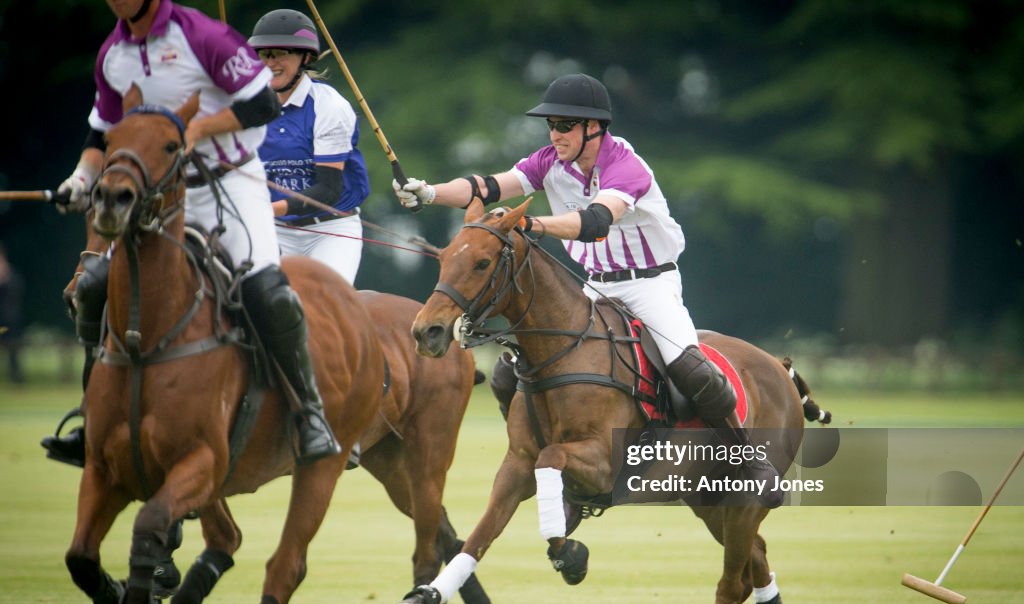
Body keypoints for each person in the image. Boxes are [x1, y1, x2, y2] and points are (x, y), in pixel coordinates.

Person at [393, 73, 783, 508]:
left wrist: (530, 224)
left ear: (593, 128)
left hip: (650, 282)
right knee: (508, 373)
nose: (554, 134)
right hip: (594, 287)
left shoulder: (626, 167)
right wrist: (428, 192)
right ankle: (541, 454)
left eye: (563, 125)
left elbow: (595, 222)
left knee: (691, 370)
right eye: (551, 125)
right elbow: (486, 187)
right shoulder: (548, 162)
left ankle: (749, 458)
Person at [41, 0, 340, 470]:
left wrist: (197, 128)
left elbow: (261, 103)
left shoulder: (205, 37)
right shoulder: (111, 56)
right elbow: (99, 136)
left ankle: (310, 413)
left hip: (229, 181)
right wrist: (80, 180)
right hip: (155, 193)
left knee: (268, 292)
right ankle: (91, 419)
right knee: (95, 285)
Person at [249, 9, 370, 286]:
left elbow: (327, 191)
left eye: (281, 54)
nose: (271, 63)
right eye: (264, 54)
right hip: (274, 232)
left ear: (305, 57)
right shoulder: (246, 106)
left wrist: (265, 210)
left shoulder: (329, 106)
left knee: (328, 305)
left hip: (331, 231)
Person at [0, 242, 26, 384]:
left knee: (13, 350)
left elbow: (17, 292)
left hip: (9, 319)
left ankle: (16, 376)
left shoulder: (11, 275)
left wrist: (5, 280)